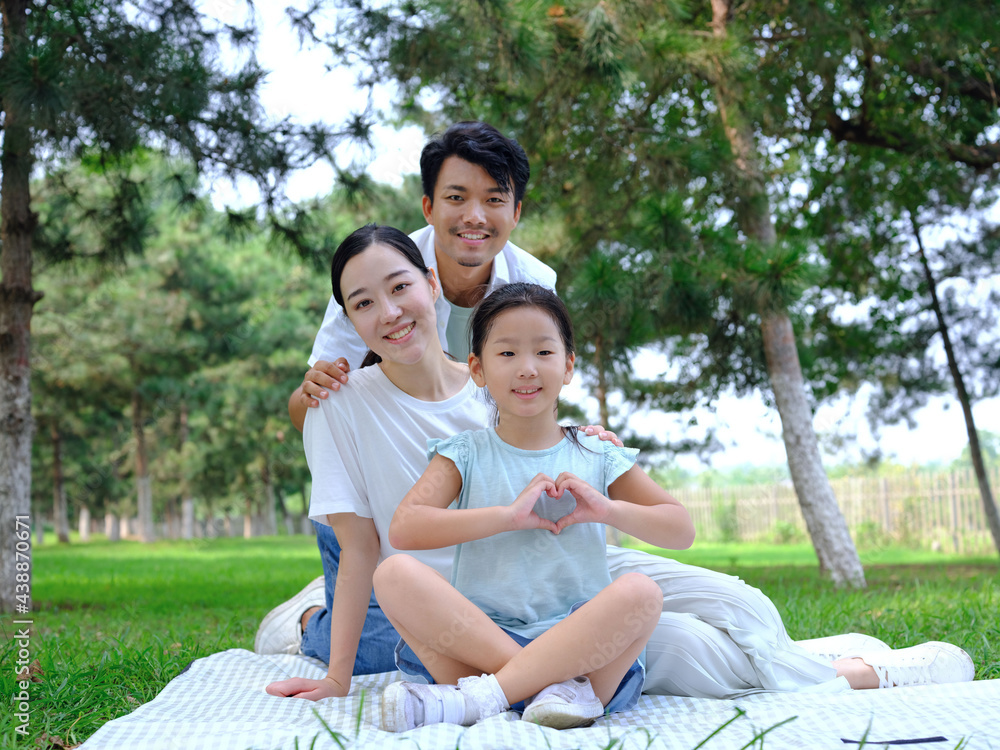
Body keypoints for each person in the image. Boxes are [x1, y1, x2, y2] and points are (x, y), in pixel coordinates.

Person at [372, 283, 695, 731]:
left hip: (585, 656)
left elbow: (680, 530)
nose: (526, 369)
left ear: (568, 367)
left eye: (543, 352)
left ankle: (481, 700)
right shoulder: (464, 452)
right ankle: (533, 688)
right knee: (392, 575)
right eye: (506, 354)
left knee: (642, 593)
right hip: (480, 649)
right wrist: (507, 517)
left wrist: (606, 509)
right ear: (477, 370)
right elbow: (405, 529)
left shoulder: (594, 452)